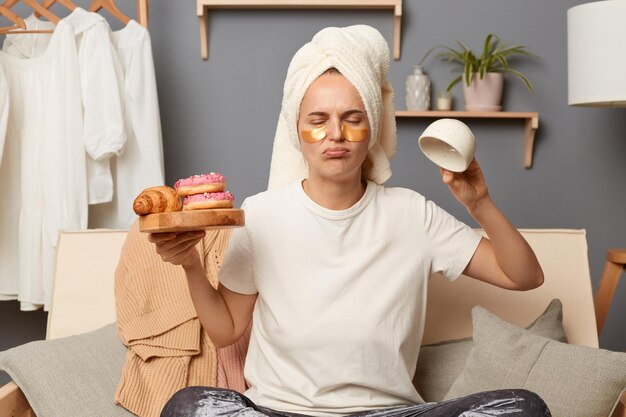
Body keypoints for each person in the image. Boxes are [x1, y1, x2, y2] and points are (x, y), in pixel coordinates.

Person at [151, 26, 551, 417]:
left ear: (372, 126)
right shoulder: (261, 215)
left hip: (387, 414)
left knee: (523, 408)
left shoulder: (413, 214)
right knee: (188, 406)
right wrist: (191, 264)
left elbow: (524, 276)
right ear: (298, 130)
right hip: (279, 412)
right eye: (318, 119)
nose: (336, 134)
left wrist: (479, 202)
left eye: (352, 118)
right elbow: (225, 331)